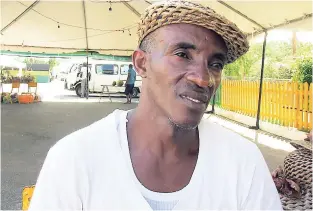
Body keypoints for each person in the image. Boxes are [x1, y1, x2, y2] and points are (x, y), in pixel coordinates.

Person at [28, 1, 283, 210]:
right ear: (141, 64)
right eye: (183, 55)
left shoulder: (242, 162)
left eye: (215, 64)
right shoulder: (75, 158)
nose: (203, 79)